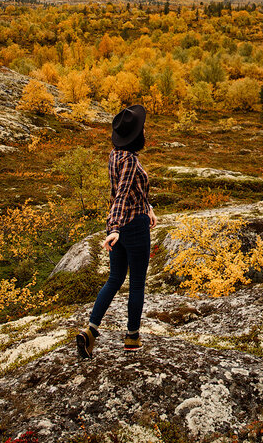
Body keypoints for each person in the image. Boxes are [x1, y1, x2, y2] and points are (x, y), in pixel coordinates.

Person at [75, 104, 157, 358]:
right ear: (137, 136)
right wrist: (115, 228)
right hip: (131, 228)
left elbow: (131, 191)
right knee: (136, 284)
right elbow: (121, 194)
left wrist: (149, 207)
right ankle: (132, 337)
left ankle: (90, 331)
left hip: (123, 225)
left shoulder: (115, 155)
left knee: (115, 278)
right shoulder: (131, 160)